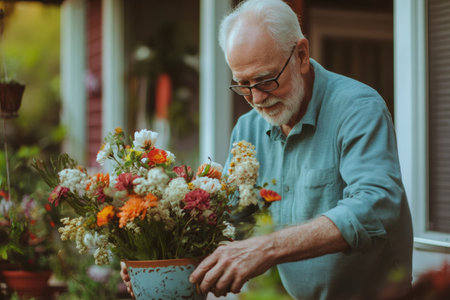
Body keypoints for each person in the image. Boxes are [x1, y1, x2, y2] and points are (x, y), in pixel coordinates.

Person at [121, 0, 413, 299]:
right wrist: (157, 263)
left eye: (266, 80)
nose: (257, 98)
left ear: (301, 55)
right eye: (243, 84)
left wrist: (268, 248)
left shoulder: (358, 108)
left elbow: (376, 205)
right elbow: (235, 223)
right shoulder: (247, 130)